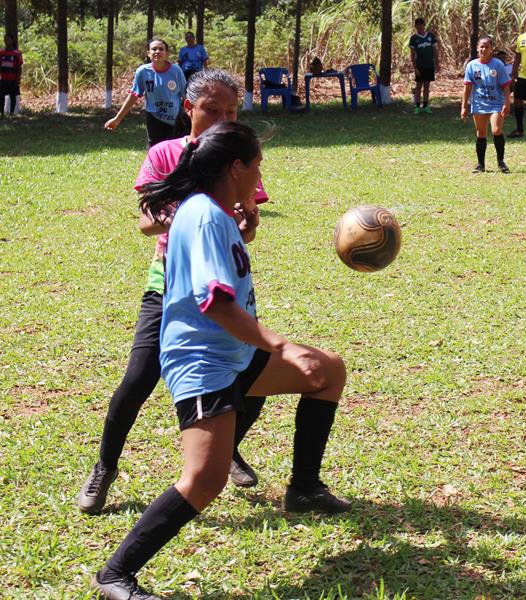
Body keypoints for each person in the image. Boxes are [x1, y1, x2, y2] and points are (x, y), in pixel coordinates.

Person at [90, 120, 350, 599]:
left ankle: (305, 488)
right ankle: (115, 575)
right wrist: (280, 344)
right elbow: (215, 302)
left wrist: (243, 225)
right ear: (235, 167)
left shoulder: (213, 211)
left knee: (328, 370)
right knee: (204, 480)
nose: (259, 175)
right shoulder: (206, 216)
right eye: (256, 166)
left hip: (234, 352)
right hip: (204, 360)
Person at [79, 70, 269, 515]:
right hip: (169, 285)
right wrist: (188, 218)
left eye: (231, 111)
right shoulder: (165, 153)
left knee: (255, 371)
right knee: (140, 375)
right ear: (189, 109)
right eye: (212, 110)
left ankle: (227, 446)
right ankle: (105, 466)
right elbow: (146, 222)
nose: (223, 118)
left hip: (224, 287)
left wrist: (248, 226)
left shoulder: (237, 155)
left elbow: (245, 230)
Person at [105, 38, 187, 148]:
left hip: (175, 118)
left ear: (167, 54)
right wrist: (117, 119)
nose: (157, 51)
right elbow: (134, 95)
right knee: (155, 150)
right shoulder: (143, 71)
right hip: (154, 117)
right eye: (154, 49)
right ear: (148, 53)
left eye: (161, 49)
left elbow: (186, 95)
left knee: (175, 151)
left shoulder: (176, 70)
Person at [462, 36, 511, 173]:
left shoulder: (498, 65)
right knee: (481, 133)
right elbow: (467, 88)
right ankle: (480, 164)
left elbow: (506, 87)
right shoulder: (472, 66)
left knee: (496, 130)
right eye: (481, 47)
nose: (484, 49)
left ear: (491, 49)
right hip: (479, 104)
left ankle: (501, 162)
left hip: (496, 103)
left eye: (487, 47)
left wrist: (506, 103)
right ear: (477, 48)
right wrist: (464, 106)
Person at [409, 17, 439, 114]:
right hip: (420, 65)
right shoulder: (414, 38)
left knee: (427, 85)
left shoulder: (430, 36)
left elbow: (435, 50)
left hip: (429, 65)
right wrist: (415, 68)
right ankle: (417, 106)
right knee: (419, 85)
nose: (419, 27)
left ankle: (426, 105)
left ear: (424, 25)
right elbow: (412, 55)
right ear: (415, 26)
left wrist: (437, 63)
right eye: (418, 25)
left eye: (421, 25)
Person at [0, 33, 23, 117]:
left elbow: (19, 67)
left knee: (13, 96)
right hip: (3, 78)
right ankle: (2, 113)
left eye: (9, 39)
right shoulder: (1, 52)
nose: (7, 41)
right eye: (5, 39)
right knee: (1, 96)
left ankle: (12, 113)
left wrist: (18, 79)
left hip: (13, 79)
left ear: (12, 40)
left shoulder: (17, 53)